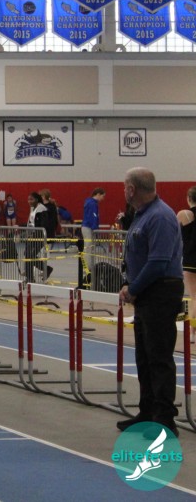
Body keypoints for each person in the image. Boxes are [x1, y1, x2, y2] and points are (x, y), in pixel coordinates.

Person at [117, 168, 184, 437]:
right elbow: (135, 255)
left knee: (158, 357)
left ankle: (165, 420)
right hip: (146, 292)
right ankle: (147, 413)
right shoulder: (141, 216)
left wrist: (134, 289)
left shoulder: (160, 217)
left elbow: (158, 262)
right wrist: (128, 282)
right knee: (144, 357)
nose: (123, 191)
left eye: (125, 187)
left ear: (132, 189)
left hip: (160, 291)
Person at [176, 186, 196, 344]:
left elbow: (173, 232)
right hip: (190, 259)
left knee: (194, 297)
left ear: (189, 198)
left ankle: (193, 333)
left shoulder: (185, 214)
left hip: (191, 259)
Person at [81, 187, 106, 279]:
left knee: (89, 248)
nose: (103, 198)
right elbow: (93, 216)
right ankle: (88, 268)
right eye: (103, 196)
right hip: (89, 227)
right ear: (98, 194)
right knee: (88, 248)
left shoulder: (89, 202)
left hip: (87, 226)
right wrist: (95, 228)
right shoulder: (92, 204)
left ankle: (88, 266)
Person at [24, 192, 49, 282]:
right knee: (27, 255)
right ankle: (29, 277)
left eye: (31, 199)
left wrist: (35, 232)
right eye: (28, 199)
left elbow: (43, 224)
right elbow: (31, 223)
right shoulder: (32, 208)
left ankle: (46, 269)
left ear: (37, 200)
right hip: (31, 236)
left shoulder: (42, 209)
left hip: (39, 236)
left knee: (30, 255)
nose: (29, 201)